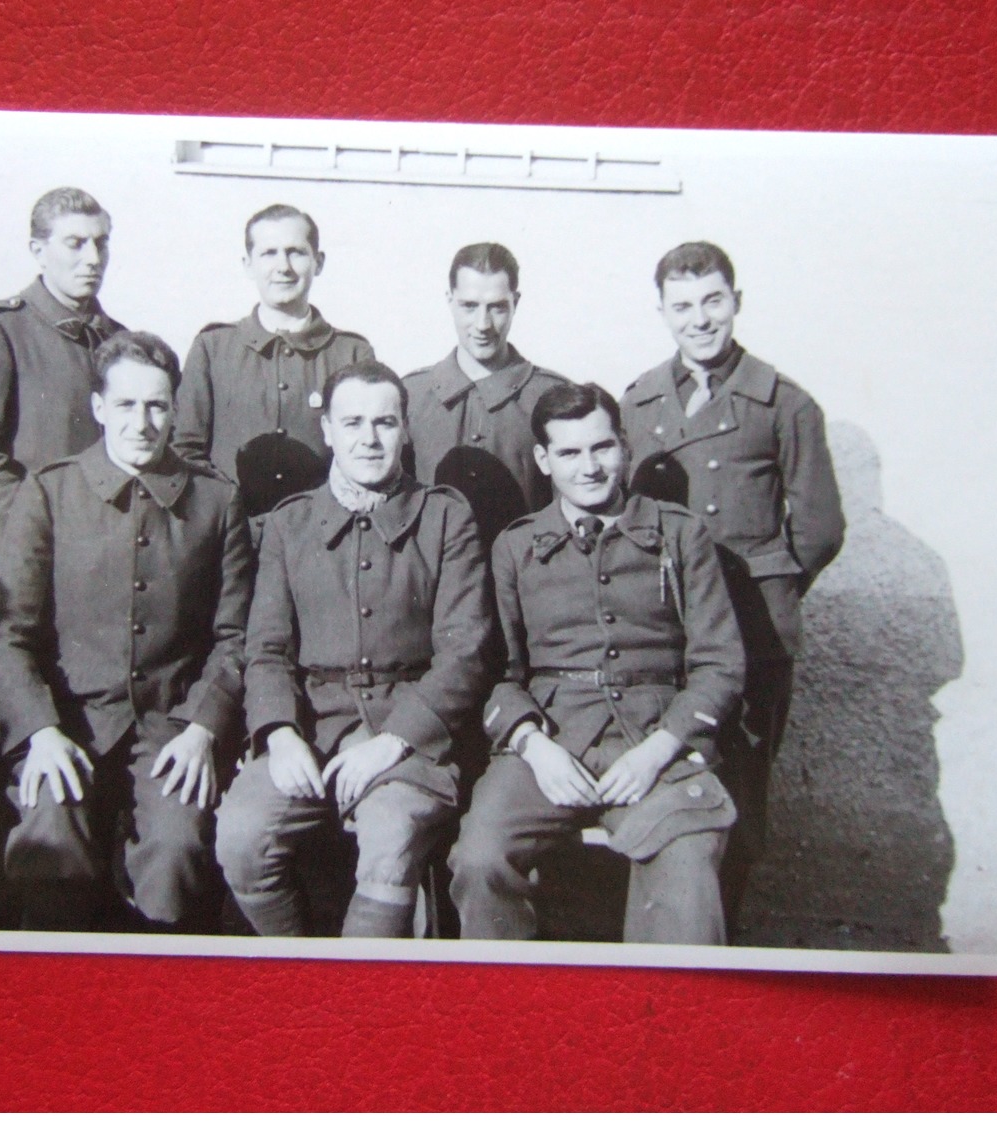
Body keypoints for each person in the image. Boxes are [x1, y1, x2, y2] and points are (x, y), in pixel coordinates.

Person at [450, 382, 745, 944]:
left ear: (624, 446)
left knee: (685, 861)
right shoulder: (516, 547)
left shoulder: (680, 534)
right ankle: (502, 1013)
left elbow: (720, 665)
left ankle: (663, 1019)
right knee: (481, 858)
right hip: (554, 738)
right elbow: (497, 674)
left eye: (601, 448)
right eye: (568, 453)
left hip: (657, 733)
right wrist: (535, 748)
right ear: (543, 460)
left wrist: (659, 750)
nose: (589, 467)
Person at [0, 331, 252, 931]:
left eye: (157, 405)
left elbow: (234, 637)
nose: (143, 422)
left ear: (174, 408)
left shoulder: (214, 502)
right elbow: (10, 636)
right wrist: (40, 732)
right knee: (49, 839)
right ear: (99, 407)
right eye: (126, 405)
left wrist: (203, 730)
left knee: (176, 848)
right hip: (68, 723)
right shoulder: (50, 492)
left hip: (169, 730)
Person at [215, 361, 493, 938]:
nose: (369, 438)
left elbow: (465, 652)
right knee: (241, 837)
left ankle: (363, 1000)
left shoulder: (445, 517)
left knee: (391, 835)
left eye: (385, 422)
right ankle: (300, 979)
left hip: (415, 735)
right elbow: (265, 649)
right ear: (328, 432)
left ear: (406, 429)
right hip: (314, 729)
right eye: (353, 422)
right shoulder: (291, 524)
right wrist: (279, 732)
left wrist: (394, 741)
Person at [620, 241, 845, 923]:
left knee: (740, 794)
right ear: (662, 311)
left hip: (752, 632)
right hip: (667, 635)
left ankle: (728, 940)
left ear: (736, 303)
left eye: (713, 301)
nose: (700, 319)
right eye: (682, 306)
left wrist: (764, 588)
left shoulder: (784, 403)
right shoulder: (639, 401)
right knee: (673, 787)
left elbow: (820, 528)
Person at [0, 187, 124, 928]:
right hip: (12, 580)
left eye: (100, 243)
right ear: (38, 248)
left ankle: (79, 917)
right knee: (1, 756)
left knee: (80, 739)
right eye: (74, 242)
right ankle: (2, 925)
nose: (90, 257)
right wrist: (48, 531)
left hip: (94, 585)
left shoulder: (117, 341)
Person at [172, 204, 374, 524]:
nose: (283, 267)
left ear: (318, 262)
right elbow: (186, 450)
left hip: (319, 534)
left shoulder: (351, 354)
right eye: (269, 253)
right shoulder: (213, 348)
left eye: (296, 252)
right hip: (231, 534)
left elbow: (363, 455)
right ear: (248, 264)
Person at [402, 242, 569, 550]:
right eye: (469, 306)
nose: (483, 324)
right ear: (449, 301)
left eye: (497, 307)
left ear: (515, 302)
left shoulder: (551, 396)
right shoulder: (410, 396)